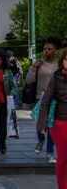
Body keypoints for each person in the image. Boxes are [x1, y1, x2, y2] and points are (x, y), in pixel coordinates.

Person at [26, 36, 61, 162]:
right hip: (40, 98)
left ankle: (50, 153)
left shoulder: (60, 65)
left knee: (51, 126)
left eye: (49, 49)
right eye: (45, 48)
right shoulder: (39, 64)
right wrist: (33, 68)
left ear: (55, 51)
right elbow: (29, 81)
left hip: (55, 99)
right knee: (40, 124)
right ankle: (40, 141)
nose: (46, 51)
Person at [37, 49, 67, 189]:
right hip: (60, 122)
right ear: (62, 62)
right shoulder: (56, 77)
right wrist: (42, 124)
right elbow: (45, 102)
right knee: (64, 156)